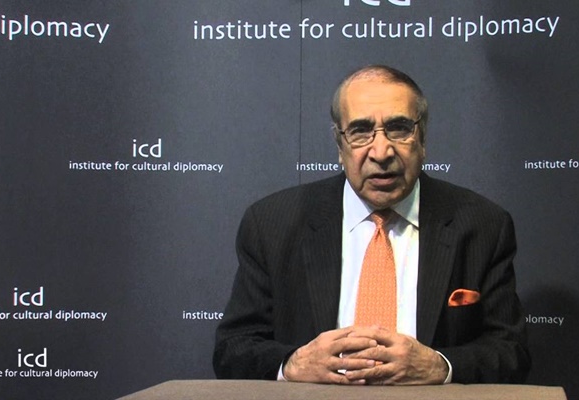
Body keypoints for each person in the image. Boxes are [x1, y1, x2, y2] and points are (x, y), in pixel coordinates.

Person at [213, 65, 530, 385]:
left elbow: (511, 352)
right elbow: (233, 349)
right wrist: (293, 364)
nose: (381, 152)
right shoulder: (273, 224)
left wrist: (439, 366)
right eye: (361, 131)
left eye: (399, 128)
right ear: (339, 145)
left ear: (422, 139)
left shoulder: (482, 225)